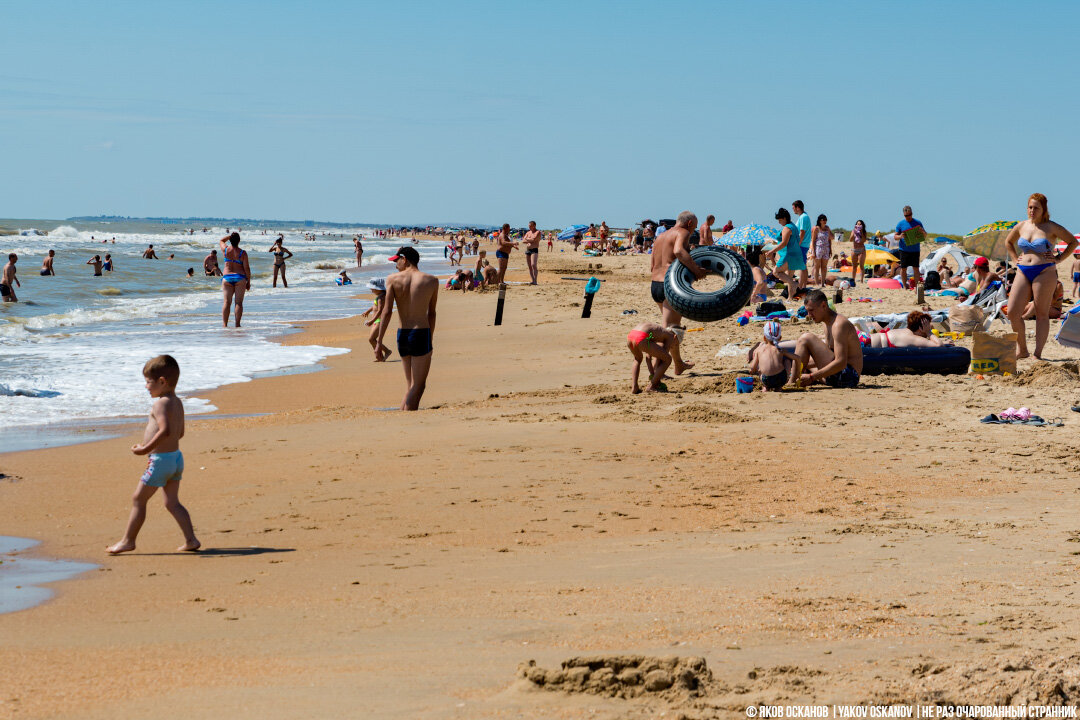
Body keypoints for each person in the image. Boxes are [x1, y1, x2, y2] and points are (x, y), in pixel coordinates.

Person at [106, 355, 200, 555]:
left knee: (138, 499)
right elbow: (179, 432)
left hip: (160, 461)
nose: (146, 386)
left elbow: (164, 430)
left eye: (148, 382)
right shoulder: (177, 402)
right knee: (172, 502)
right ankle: (191, 539)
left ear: (162, 382)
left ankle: (128, 541)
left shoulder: (160, 404)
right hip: (176, 458)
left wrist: (145, 449)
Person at [1004, 193, 1077, 359]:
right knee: (1013, 313)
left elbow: (1073, 242)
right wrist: (1015, 259)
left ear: (1044, 209)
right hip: (1023, 270)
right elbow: (1008, 242)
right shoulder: (1021, 226)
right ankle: (1022, 350)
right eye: (1030, 207)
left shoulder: (1051, 227)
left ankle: (1037, 354)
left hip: (1045, 271)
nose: (1032, 210)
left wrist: (1059, 259)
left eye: (1036, 208)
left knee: (1041, 313)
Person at [375, 246, 439, 411]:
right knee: (419, 386)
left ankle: (402, 415)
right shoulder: (431, 280)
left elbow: (387, 312)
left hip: (402, 334)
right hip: (421, 333)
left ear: (406, 259)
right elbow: (432, 314)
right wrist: (430, 338)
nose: (395, 265)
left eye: (397, 261)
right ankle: (407, 419)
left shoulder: (392, 279)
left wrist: (379, 342)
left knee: (410, 385)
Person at [789, 289, 863, 388]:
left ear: (823, 305)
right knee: (801, 362)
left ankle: (792, 382)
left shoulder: (839, 325)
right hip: (838, 375)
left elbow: (841, 362)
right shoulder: (826, 323)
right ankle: (794, 378)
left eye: (811, 310)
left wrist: (812, 377)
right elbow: (830, 355)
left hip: (848, 377)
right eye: (807, 311)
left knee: (806, 338)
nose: (809, 315)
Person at [626, 322, 685, 394]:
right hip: (641, 337)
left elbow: (648, 358)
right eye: (676, 344)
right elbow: (662, 360)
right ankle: (651, 386)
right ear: (675, 336)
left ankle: (634, 387)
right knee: (668, 359)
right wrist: (656, 381)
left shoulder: (659, 332)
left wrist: (652, 374)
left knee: (637, 359)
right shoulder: (670, 336)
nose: (674, 346)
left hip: (631, 336)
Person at [764, 208, 805, 299]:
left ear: (784, 218)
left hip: (788, 255)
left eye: (779, 220)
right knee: (789, 276)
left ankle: (795, 284)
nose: (779, 222)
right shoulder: (793, 226)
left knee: (776, 272)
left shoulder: (787, 228)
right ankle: (790, 298)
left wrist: (771, 251)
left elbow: (784, 243)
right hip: (796, 254)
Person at [749, 321, 797, 391]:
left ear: (764, 338)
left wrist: (754, 370)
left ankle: (765, 387)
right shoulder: (780, 350)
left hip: (766, 380)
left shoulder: (759, 350)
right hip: (781, 379)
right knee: (787, 361)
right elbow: (795, 358)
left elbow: (752, 368)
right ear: (780, 338)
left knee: (760, 368)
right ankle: (779, 388)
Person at [219, 232, 251, 328]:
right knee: (238, 303)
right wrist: (248, 281)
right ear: (239, 241)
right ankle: (237, 324)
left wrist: (229, 237)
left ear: (230, 240)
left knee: (226, 302)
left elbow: (221, 240)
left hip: (227, 278)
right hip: (240, 278)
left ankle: (225, 325)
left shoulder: (225, 250)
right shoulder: (242, 253)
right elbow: (247, 269)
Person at [869, 311, 943, 348]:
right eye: (927, 326)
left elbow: (926, 343)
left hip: (865, 338)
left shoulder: (905, 331)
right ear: (921, 328)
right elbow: (939, 346)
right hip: (865, 344)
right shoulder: (913, 338)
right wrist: (929, 332)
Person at [892, 205, 925, 288]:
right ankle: (904, 286)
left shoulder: (918, 222)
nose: (908, 217)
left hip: (915, 249)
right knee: (903, 269)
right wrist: (900, 236)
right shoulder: (900, 224)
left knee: (916, 268)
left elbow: (924, 236)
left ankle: (917, 287)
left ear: (912, 214)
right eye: (906, 216)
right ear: (904, 215)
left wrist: (922, 232)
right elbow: (895, 237)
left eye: (909, 215)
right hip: (904, 249)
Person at [362, 277, 392, 361]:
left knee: (371, 339)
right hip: (376, 320)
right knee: (372, 340)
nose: (371, 290)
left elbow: (380, 310)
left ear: (379, 289)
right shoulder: (379, 296)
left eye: (373, 289)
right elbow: (374, 306)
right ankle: (380, 357)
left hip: (379, 320)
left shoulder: (381, 297)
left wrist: (372, 321)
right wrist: (368, 311)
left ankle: (387, 351)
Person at [792, 200, 811, 288]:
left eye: (794, 208)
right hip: (803, 244)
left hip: (802, 244)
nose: (793, 210)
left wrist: (798, 244)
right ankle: (803, 286)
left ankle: (801, 286)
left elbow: (802, 232)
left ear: (798, 207)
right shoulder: (803, 216)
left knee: (802, 266)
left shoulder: (803, 217)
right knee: (803, 266)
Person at [811, 214, 833, 287]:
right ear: (820, 221)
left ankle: (823, 283)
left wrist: (830, 249)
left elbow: (830, 239)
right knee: (817, 266)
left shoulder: (827, 228)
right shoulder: (816, 229)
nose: (825, 221)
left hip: (826, 248)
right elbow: (813, 241)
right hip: (818, 248)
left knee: (824, 266)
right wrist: (813, 252)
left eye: (825, 219)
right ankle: (817, 283)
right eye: (823, 220)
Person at [522, 220, 542, 285]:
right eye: (529, 226)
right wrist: (529, 239)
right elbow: (523, 241)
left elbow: (534, 239)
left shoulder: (537, 232)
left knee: (533, 265)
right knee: (530, 266)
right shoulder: (528, 232)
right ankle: (533, 280)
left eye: (530, 226)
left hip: (534, 250)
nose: (529, 227)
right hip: (528, 250)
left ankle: (535, 280)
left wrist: (527, 239)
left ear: (534, 226)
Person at [849, 220, 867, 284]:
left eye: (860, 224)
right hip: (854, 250)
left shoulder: (864, 232)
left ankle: (861, 280)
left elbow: (863, 240)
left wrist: (861, 232)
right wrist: (854, 233)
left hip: (861, 250)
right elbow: (850, 240)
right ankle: (853, 280)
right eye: (857, 224)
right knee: (854, 266)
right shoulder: (853, 231)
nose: (858, 226)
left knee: (861, 266)